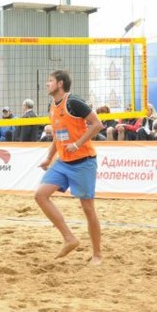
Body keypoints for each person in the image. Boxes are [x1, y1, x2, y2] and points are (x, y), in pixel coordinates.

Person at [35, 70, 102, 265]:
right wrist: (49, 158)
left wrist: (78, 144)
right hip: (63, 162)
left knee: (88, 209)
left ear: (60, 84)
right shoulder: (52, 105)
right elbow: (58, 136)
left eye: (50, 81)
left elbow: (97, 124)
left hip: (83, 162)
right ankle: (69, 238)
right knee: (40, 195)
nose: (47, 84)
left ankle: (97, 254)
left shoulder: (73, 102)